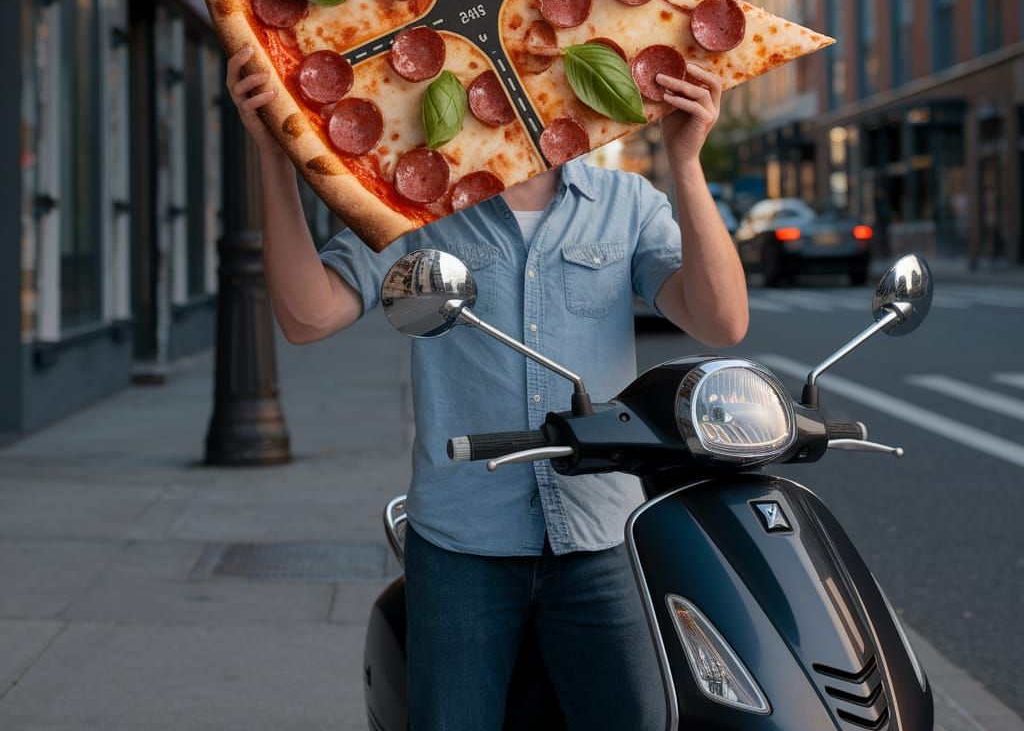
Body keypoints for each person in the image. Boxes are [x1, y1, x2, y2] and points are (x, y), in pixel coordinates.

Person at [227, 44, 749, 730]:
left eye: (542, 64)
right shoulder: (416, 200)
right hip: (461, 546)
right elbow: (308, 316)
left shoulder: (626, 204)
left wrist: (686, 162)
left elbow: (721, 320)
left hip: (599, 537)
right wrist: (275, 157)